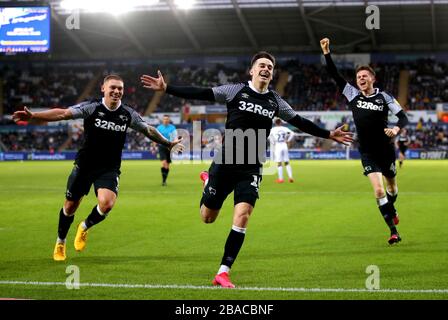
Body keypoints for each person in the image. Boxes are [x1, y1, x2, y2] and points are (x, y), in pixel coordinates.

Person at [141, 52, 353, 288]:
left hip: (251, 167)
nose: (266, 69)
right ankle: (207, 181)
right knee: (207, 217)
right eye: (261, 65)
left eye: (270, 67)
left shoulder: (275, 101)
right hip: (225, 162)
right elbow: (202, 93)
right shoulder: (235, 91)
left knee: (243, 216)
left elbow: (299, 120)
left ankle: (223, 271)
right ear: (251, 71)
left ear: (272, 74)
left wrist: (327, 134)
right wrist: (167, 87)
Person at [12, 75, 183, 261]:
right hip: (85, 165)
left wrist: (167, 143)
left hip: (109, 168)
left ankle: (84, 226)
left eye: (120, 88)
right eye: (113, 87)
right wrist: (34, 115)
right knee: (70, 207)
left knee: (107, 203)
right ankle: (60, 241)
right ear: (103, 88)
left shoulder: (127, 114)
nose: (117, 91)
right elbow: (63, 113)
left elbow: (147, 129)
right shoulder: (91, 107)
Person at [320, 38, 409, 245]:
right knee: (378, 190)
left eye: (364, 76)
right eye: (358, 76)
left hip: (386, 150)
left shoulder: (384, 97)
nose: (360, 78)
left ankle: (392, 207)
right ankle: (393, 231)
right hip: (367, 151)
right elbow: (335, 75)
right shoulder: (352, 95)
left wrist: (396, 128)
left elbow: (403, 117)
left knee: (392, 187)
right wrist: (326, 53)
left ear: (372, 79)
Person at [268, 118, 295, 183]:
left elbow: (268, 136)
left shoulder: (273, 129)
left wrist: (273, 142)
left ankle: (281, 179)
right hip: (284, 144)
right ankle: (290, 177)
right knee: (287, 162)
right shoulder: (285, 129)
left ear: (275, 123)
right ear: (281, 122)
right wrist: (288, 140)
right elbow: (293, 133)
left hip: (278, 145)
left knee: (279, 163)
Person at [156, 115, 177, 186]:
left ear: (169, 120)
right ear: (163, 120)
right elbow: (154, 136)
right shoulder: (159, 128)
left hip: (169, 147)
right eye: (164, 119)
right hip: (161, 147)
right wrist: (153, 144)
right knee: (164, 163)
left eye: (167, 119)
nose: (166, 120)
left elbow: (175, 137)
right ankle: (163, 181)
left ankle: (164, 180)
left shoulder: (172, 128)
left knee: (167, 165)